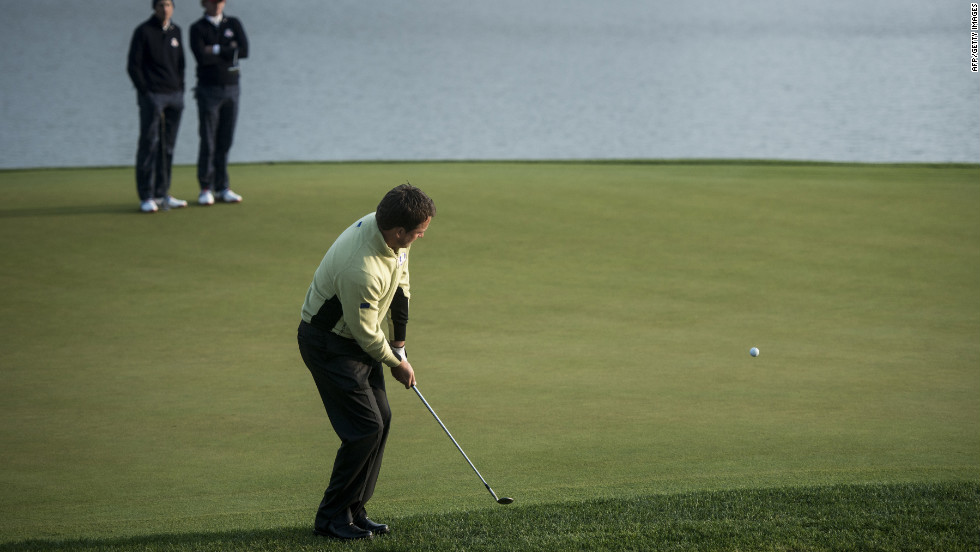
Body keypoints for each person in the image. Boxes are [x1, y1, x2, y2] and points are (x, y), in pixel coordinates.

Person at [297, 183, 436, 540]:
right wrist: (396, 363)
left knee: (381, 420)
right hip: (329, 344)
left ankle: (354, 509)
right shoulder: (361, 267)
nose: (420, 238)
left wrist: (400, 341)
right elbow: (365, 335)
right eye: (418, 233)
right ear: (399, 230)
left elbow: (401, 285)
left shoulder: (392, 239)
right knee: (364, 428)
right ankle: (331, 518)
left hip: (355, 338)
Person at [127, 0, 189, 213]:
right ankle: (146, 196)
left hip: (174, 96)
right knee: (149, 144)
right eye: (161, 5)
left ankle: (163, 194)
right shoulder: (143, 31)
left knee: (168, 147)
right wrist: (146, 92)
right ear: (154, 8)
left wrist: (180, 88)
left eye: (169, 5)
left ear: (173, 8)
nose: (165, 9)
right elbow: (133, 66)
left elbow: (181, 63)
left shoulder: (176, 31)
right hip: (153, 96)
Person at [189, 0, 248, 206]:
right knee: (208, 139)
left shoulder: (233, 23)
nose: (216, 5)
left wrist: (213, 49)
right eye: (212, 1)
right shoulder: (197, 28)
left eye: (220, 1)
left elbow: (244, 51)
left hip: (232, 88)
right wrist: (227, 50)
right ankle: (205, 187)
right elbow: (201, 57)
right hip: (208, 90)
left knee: (225, 139)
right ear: (203, 3)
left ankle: (222, 187)